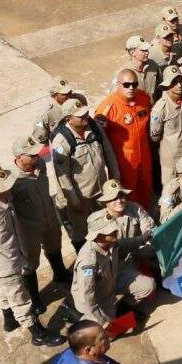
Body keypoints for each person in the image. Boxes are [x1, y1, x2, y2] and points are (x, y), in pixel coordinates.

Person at [0, 166, 64, 346]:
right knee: (20, 298)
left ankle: (9, 320)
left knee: (4, 293)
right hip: (5, 264)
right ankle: (37, 332)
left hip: (10, 258)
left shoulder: (4, 201)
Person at [51, 99, 120, 251]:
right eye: (80, 116)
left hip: (101, 192)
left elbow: (109, 153)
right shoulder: (61, 141)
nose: (85, 117)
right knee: (81, 233)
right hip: (81, 197)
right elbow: (63, 176)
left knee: (104, 225)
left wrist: (115, 178)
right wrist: (74, 201)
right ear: (69, 118)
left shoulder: (94, 127)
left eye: (86, 113)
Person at [71, 214, 155, 327]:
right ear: (98, 235)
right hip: (97, 298)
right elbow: (88, 296)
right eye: (111, 231)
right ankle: (83, 319)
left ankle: (122, 310)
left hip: (111, 282)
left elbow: (125, 244)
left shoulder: (110, 241)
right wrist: (101, 321)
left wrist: (141, 239)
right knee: (107, 334)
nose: (116, 232)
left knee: (147, 286)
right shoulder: (88, 262)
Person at [12, 136, 71, 290]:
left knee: (54, 246)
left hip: (49, 216)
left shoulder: (41, 164)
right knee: (30, 262)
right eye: (31, 155)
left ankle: (60, 274)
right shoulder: (13, 181)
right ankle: (34, 297)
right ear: (19, 158)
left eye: (36, 153)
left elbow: (48, 154)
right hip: (29, 227)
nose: (36, 157)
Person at [95, 69, 153, 209]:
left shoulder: (143, 99)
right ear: (118, 84)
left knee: (146, 186)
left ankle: (146, 215)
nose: (131, 88)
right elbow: (98, 135)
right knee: (128, 191)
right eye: (127, 85)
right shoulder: (108, 107)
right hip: (125, 159)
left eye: (134, 84)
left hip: (144, 154)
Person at [87, 179, 155, 267]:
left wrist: (148, 241)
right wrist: (141, 239)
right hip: (113, 263)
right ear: (105, 202)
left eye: (121, 196)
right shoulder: (96, 219)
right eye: (113, 198)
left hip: (136, 253)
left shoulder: (135, 207)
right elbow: (113, 248)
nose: (119, 201)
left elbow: (149, 227)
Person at [150, 66, 182, 186]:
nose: (179, 85)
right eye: (174, 82)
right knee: (172, 188)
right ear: (167, 84)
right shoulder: (160, 108)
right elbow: (155, 135)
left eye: (181, 81)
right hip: (172, 158)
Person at [32, 78, 87, 143]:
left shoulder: (79, 99)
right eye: (64, 94)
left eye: (70, 91)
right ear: (54, 96)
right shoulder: (45, 115)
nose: (69, 95)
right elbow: (40, 137)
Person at [121, 35, 160, 101]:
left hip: (153, 109)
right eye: (143, 50)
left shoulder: (153, 66)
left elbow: (160, 87)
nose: (147, 53)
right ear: (132, 52)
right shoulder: (124, 73)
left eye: (147, 50)